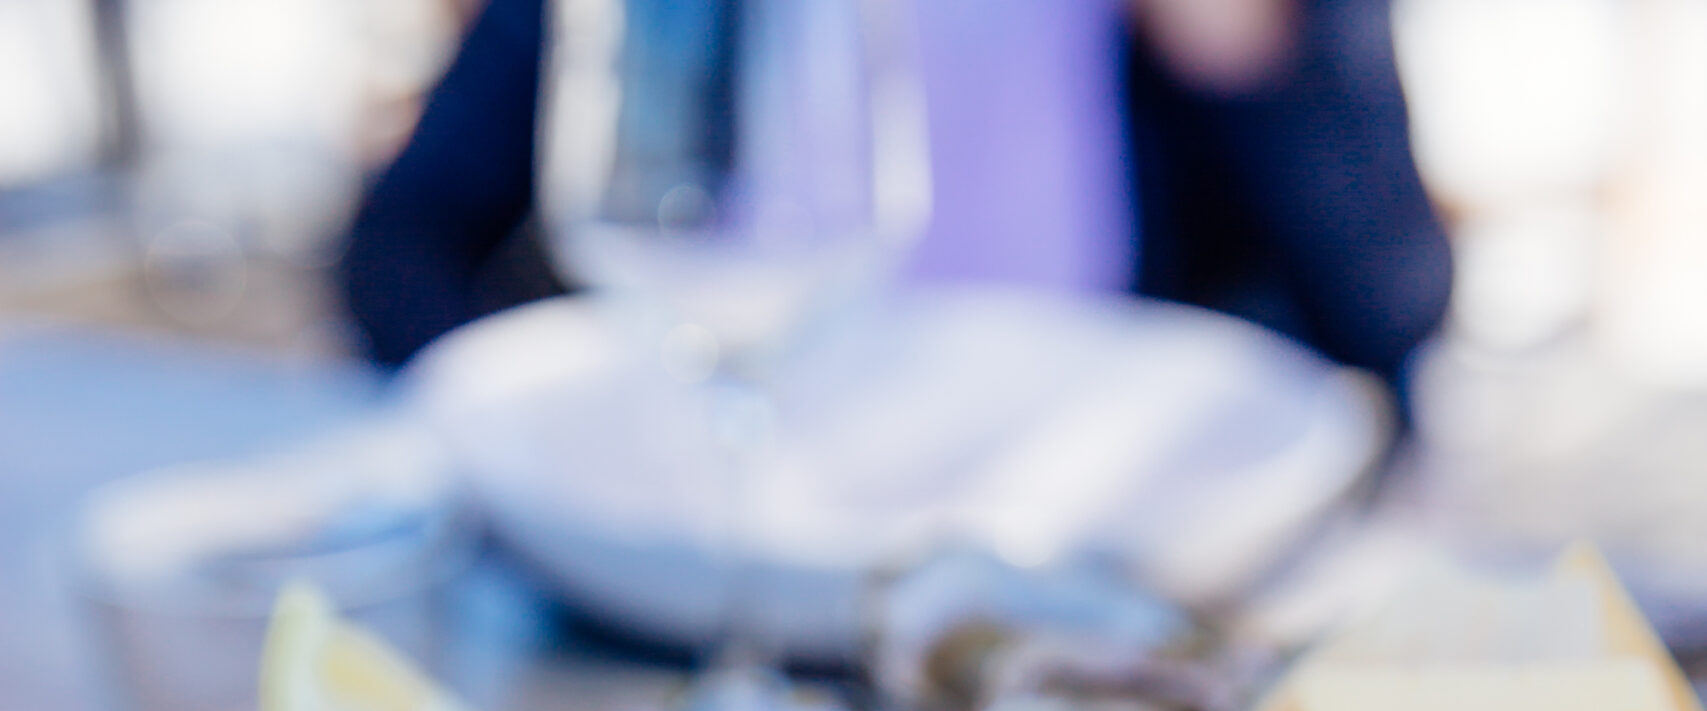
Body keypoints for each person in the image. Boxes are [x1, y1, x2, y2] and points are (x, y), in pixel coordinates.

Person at [340, 0, 1449, 392]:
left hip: (1097, 571)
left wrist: (1244, 53)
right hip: (721, 534)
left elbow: (1393, 308)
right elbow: (396, 249)